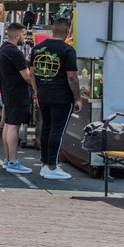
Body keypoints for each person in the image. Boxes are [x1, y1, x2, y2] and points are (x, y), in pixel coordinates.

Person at [30, 18, 81, 180]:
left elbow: (32, 73)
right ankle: (52, 166)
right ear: (67, 31)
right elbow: (72, 77)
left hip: (43, 93)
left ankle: (45, 164)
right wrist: (77, 98)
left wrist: (37, 92)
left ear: (52, 30)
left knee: (47, 128)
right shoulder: (68, 50)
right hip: (62, 96)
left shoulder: (37, 48)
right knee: (57, 130)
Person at [0, 22, 33, 174]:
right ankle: (12, 161)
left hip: (8, 91)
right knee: (13, 126)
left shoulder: (2, 50)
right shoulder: (15, 53)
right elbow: (27, 76)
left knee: (8, 125)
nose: (24, 38)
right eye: (24, 35)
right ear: (17, 35)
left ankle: (8, 159)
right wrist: (37, 85)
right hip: (17, 93)